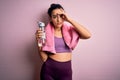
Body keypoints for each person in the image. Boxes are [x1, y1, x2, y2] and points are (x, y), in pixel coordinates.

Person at [36, 3, 91, 80]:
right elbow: (44, 58)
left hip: (66, 73)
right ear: (50, 18)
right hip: (48, 71)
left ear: (64, 16)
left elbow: (88, 35)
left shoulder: (70, 30)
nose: (58, 20)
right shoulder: (44, 33)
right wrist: (38, 41)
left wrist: (69, 19)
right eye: (54, 17)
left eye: (61, 16)